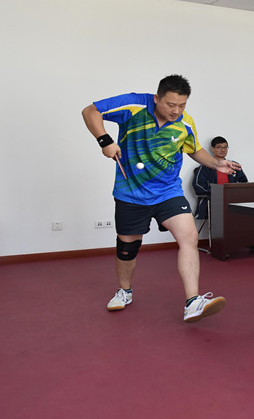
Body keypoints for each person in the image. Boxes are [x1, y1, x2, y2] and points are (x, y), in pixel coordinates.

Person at [82, 74, 239, 322]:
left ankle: (193, 302)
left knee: (189, 237)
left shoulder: (185, 123)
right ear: (157, 98)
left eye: (182, 105)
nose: (176, 111)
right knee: (127, 248)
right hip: (131, 192)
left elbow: (194, 149)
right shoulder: (134, 106)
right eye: (170, 105)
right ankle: (124, 291)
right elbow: (91, 111)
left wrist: (216, 163)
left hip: (168, 191)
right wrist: (105, 141)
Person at [192, 136, 254, 253]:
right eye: (219, 147)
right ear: (212, 149)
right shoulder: (205, 166)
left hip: (234, 199)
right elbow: (198, 185)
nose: (223, 150)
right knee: (226, 214)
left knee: (253, 210)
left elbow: (244, 183)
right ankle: (224, 246)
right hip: (214, 200)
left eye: (225, 147)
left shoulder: (233, 165)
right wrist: (216, 193)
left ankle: (253, 241)